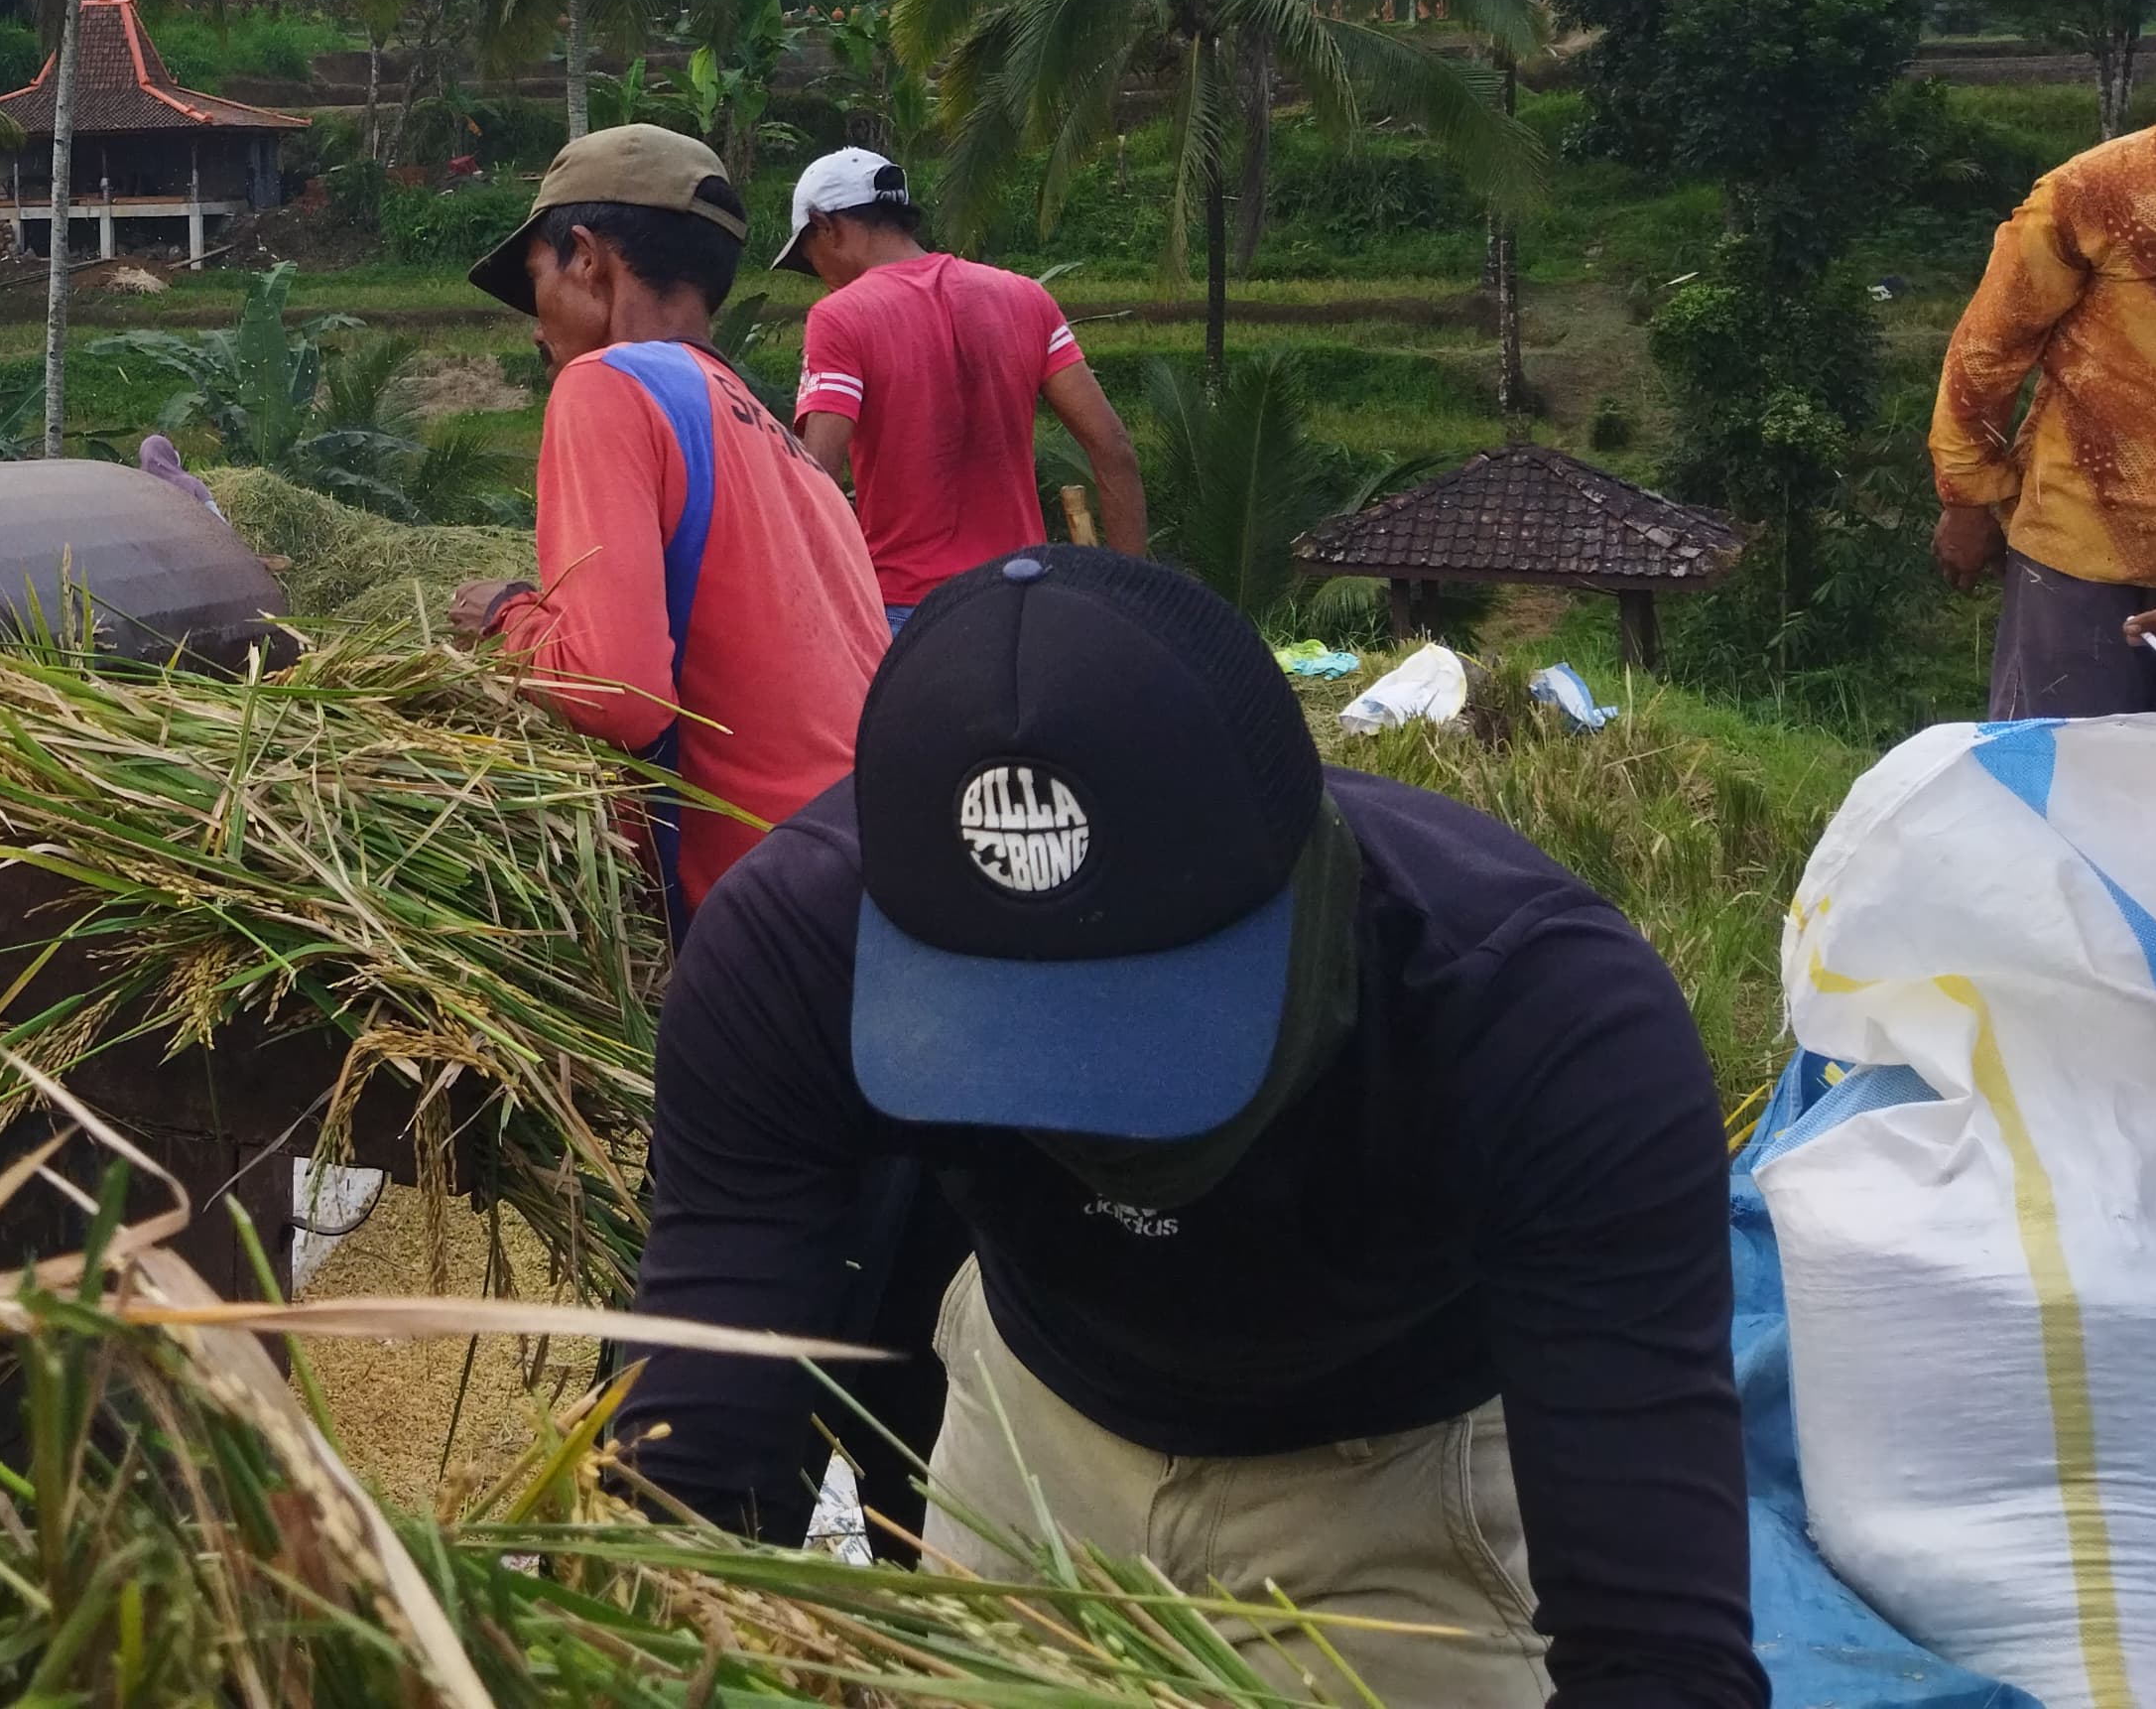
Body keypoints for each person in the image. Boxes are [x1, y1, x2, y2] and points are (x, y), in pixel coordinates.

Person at [622, 547, 1758, 1709]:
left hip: (1401, 1479)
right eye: (1014, 1048)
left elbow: (1653, 1646)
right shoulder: (798, 951)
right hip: (1032, 1426)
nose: (1098, 1130)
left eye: (1145, 1033)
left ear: (1311, 873)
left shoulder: (1540, 1019)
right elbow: (698, 1441)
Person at [442, 127, 891, 927]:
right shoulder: (783, 445)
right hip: (877, 866)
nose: (538, 331)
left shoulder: (606, 386)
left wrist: (505, 614)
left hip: (766, 906)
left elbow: (621, 694)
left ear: (587, 257)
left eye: (538, 280)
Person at [1927, 14, 2156, 719]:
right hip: (2082, 538)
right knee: (2052, 776)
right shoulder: (2099, 192)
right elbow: (1988, 352)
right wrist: (1966, 500)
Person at [774, 146, 1146, 627]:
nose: (820, 278)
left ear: (828, 228)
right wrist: (1135, 601)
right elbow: (1113, 448)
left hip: (910, 612)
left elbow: (819, 477)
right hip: (1023, 600)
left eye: (810, 258)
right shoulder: (1025, 297)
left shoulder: (841, 317)